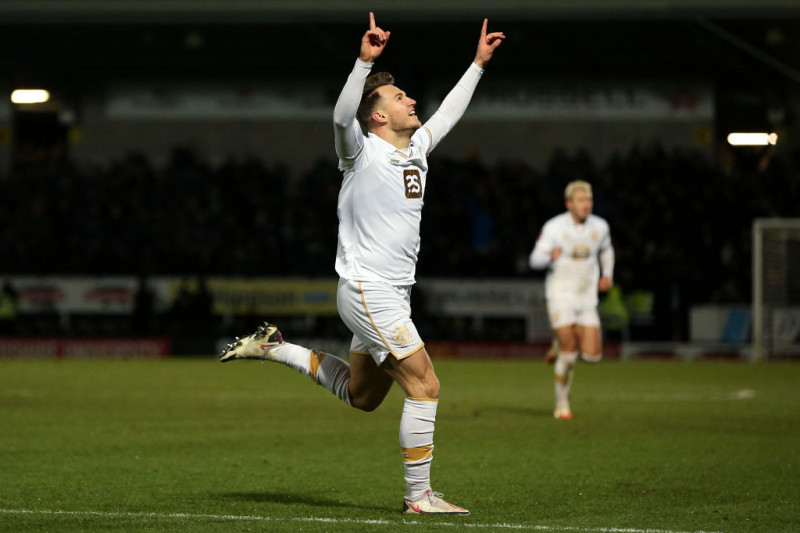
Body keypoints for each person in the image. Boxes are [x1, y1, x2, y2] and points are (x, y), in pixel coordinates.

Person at [219, 12, 503, 515]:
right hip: (369, 289)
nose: (411, 100)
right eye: (399, 98)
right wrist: (362, 63)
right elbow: (338, 117)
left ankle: (275, 348)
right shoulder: (360, 151)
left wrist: (478, 64)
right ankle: (419, 497)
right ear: (376, 116)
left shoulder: (416, 149)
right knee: (425, 385)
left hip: (389, 293)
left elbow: (448, 115)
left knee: (363, 396)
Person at [529, 180, 614, 420]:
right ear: (569, 204)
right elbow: (534, 260)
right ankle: (562, 404)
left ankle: (559, 343)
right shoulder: (554, 227)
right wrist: (548, 257)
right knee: (569, 353)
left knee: (592, 356)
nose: (586, 205)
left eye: (588, 200)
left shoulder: (600, 227)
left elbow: (606, 250)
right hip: (560, 294)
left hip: (587, 297)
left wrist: (607, 274)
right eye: (581, 201)